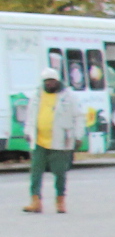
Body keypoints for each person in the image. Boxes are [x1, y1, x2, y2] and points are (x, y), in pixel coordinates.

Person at [22, 65, 82, 212]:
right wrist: (27, 131)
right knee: (36, 172)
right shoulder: (37, 95)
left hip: (60, 141)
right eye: (47, 81)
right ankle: (36, 201)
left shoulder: (68, 96)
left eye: (52, 81)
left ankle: (60, 201)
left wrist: (78, 136)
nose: (50, 84)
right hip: (39, 140)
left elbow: (78, 116)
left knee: (60, 173)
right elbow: (30, 115)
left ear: (57, 81)